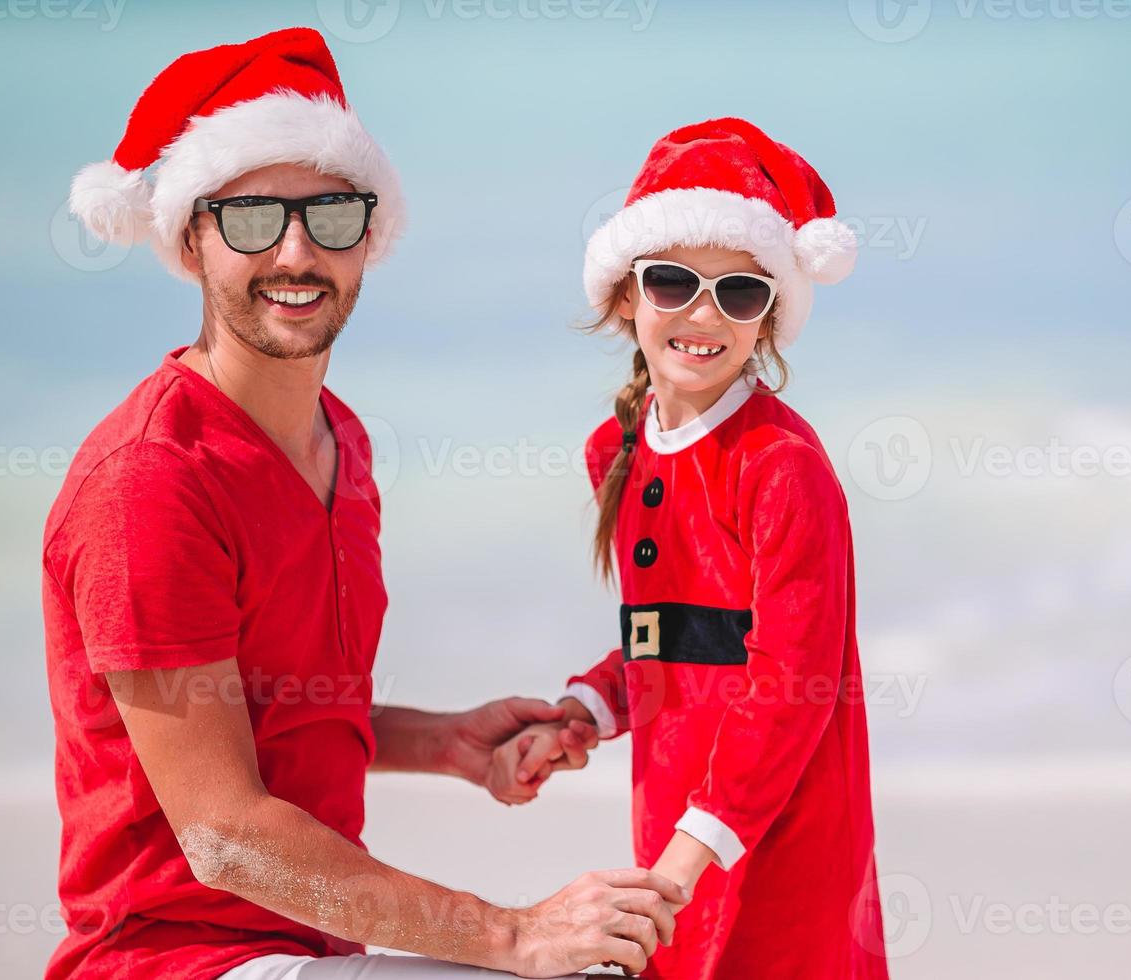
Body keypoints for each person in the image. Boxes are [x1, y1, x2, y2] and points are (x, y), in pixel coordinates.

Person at [46, 27, 682, 980]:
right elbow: (223, 832)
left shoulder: (341, 440)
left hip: (308, 946)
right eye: (252, 217)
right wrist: (512, 933)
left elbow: (270, 712)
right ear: (190, 237)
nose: (296, 253)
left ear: (368, 238)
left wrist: (445, 743)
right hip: (175, 960)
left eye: (331, 216)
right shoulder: (152, 482)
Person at [485, 118, 891, 978]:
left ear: (769, 315)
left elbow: (792, 686)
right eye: (673, 283)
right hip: (675, 837)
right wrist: (587, 710)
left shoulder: (782, 469)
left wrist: (682, 863)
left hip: (775, 837)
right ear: (628, 297)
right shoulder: (620, 450)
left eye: (738, 292)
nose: (703, 315)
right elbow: (674, 631)